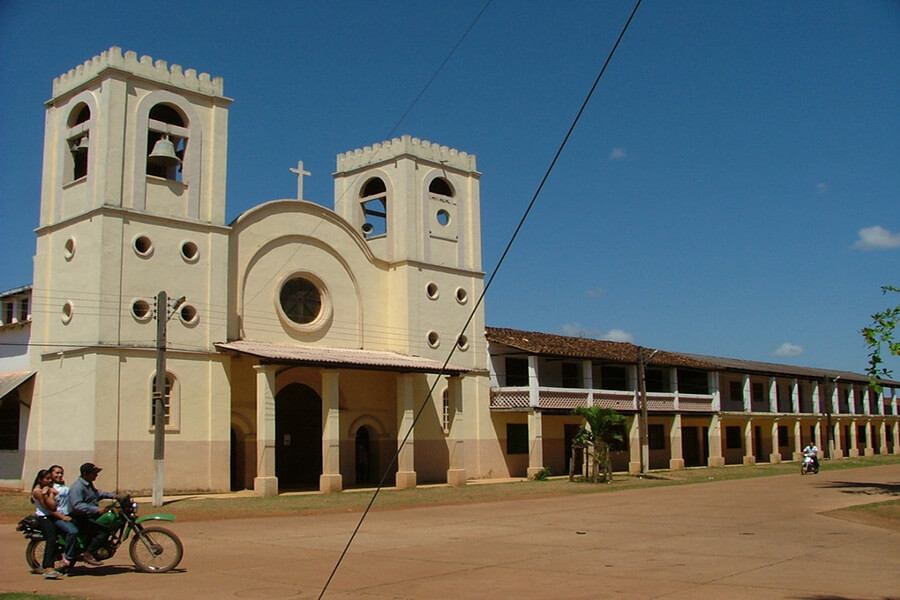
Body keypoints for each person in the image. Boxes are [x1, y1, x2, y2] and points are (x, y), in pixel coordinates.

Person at [68, 462, 116, 566]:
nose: (96, 475)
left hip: (88, 515)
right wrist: (96, 510)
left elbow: (97, 494)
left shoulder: (88, 484)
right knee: (102, 532)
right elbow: (77, 505)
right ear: (85, 474)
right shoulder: (77, 487)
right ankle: (88, 554)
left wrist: (114, 496)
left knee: (107, 524)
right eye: (94, 473)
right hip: (80, 518)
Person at [30, 469, 64, 579]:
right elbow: (49, 507)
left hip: (50, 517)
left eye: (50, 478)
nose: (50, 480)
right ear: (40, 480)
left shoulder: (48, 488)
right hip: (44, 518)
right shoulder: (38, 491)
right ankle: (48, 567)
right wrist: (48, 494)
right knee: (51, 538)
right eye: (47, 479)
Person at [48, 465, 79, 567]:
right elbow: (50, 508)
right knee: (73, 531)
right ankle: (67, 555)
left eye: (61, 473)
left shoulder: (63, 487)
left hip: (69, 515)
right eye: (57, 473)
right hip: (58, 517)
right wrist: (61, 517)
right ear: (51, 474)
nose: (59, 475)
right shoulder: (49, 488)